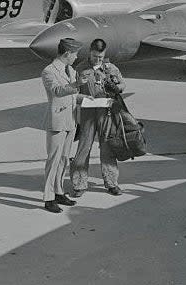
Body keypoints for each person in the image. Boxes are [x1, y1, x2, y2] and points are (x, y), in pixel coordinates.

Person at [71, 38, 126, 197]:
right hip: (88, 113)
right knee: (83, 148)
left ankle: (111, 182)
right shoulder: (80, 69)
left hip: (106, 113)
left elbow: (123, 84)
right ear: (90, 52)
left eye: (100, 57)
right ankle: (79, 184)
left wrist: (117, 88)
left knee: (107, 147)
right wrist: (84, 99)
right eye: (95, 56)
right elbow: (74, 93)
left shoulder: (110, 68)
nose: (98, 60)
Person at [41, 38, 87, 213]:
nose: (76, 57)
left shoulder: (72, 70)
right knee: (53, 160)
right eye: (75, 54)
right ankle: (48, 197)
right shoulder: (49, 71)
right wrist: (77, 84)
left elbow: (73, 96)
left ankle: (59, 191)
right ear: (67, 54)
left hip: (70, 120)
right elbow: (57, 92)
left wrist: (87, 99)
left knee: (64, 159)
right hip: (57, 121)